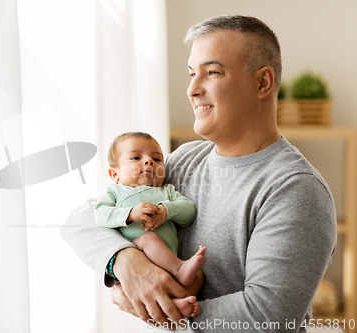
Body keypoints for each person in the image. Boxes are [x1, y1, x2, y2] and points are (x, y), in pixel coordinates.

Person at [62, 15, 336, 332]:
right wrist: (126, 263)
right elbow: (81, 219)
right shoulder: (183, 161)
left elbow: (266, 317)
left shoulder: (296, 190)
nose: (192, 89)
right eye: (192, 74)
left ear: (262, 82)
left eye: (212, 72)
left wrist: (153, 307)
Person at [95, 131, 206, 318]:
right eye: (136, 157)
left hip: (166, 265)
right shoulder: (116, 191)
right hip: (137, 254)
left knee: (200, 277)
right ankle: (180, 270)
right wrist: (130, 213)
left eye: (157, 158)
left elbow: (188, 211)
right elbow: (100, 214)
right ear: (115, 174)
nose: (149, 161)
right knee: (149, 238)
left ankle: (177, 303)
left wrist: (166, 211)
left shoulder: (167, 191)